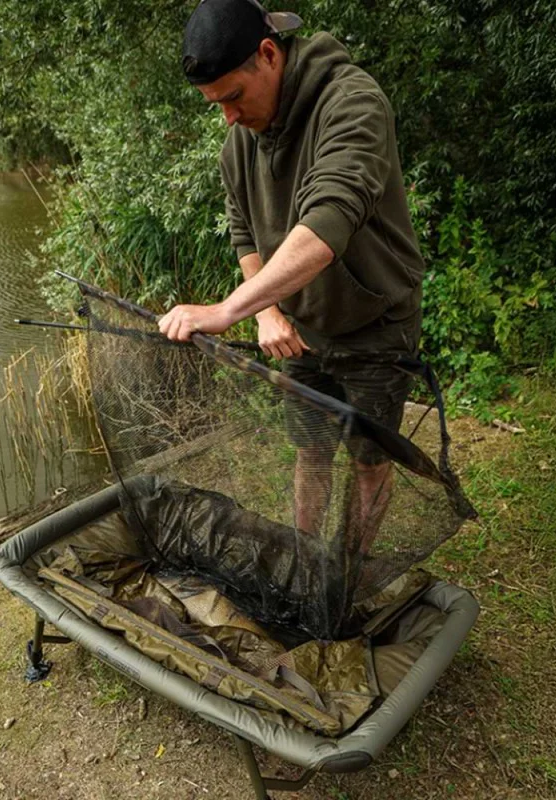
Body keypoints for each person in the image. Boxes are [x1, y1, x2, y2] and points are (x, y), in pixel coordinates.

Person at [158, 0, 425, 545]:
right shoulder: (239, 141)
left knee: (370, 461)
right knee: (310, 450)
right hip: (301, 333)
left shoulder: (351, 103)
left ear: (269, 53)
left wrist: (229, 310)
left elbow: (328, 222)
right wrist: (268, 312)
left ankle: (348, 576)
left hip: (375, 323)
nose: (228, 117)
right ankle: (306, 559)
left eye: (233, 96)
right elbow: (245, 233)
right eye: (215, 105)